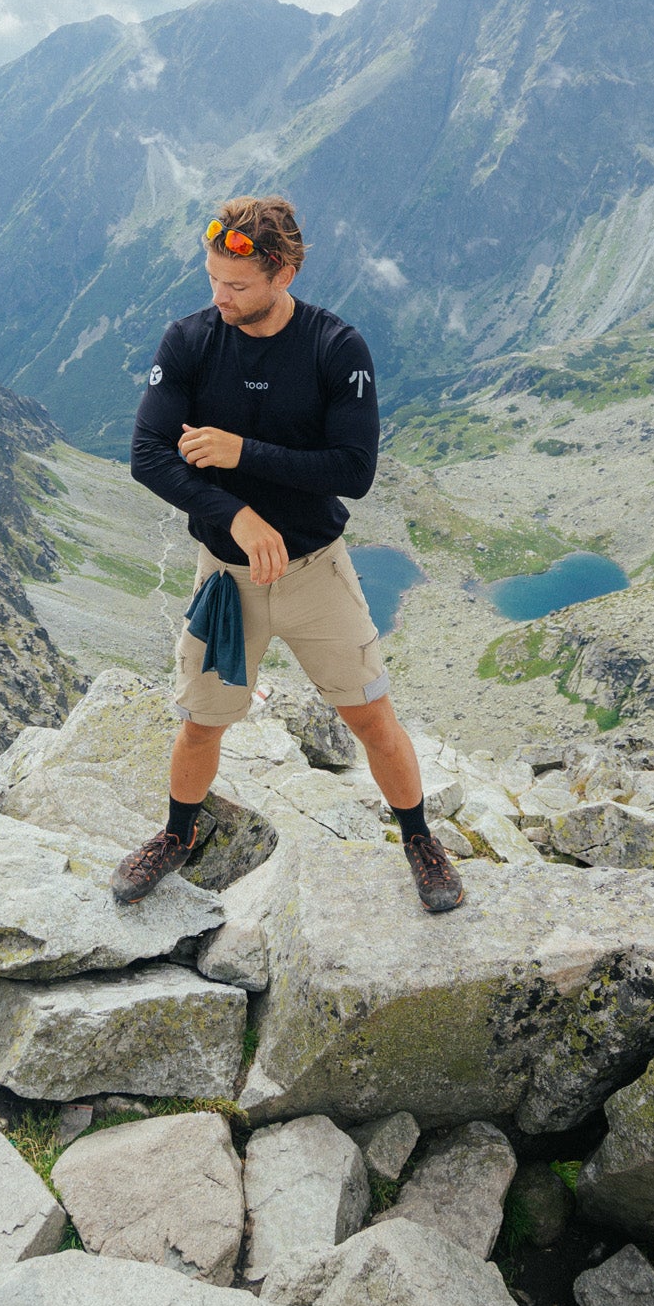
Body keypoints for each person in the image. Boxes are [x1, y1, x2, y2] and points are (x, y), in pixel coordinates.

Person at [111, 195, 463, 914]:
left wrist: (242, 454)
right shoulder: (190, 340)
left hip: (315, 571)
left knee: (368, 715)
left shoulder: (336, 348)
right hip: (225, 577)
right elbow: (147, 456)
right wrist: (235, 515)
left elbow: (353, 470)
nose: (220, 297)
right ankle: (178, 834)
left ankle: (421, 840)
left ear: (285, 272)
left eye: (236, 285)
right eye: (213, 280)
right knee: (202, 721)